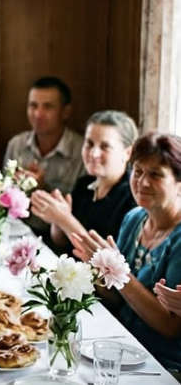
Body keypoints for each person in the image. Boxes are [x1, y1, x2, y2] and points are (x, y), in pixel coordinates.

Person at [71, 132, 181, 371]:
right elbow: (117, 298)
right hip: (118, 344)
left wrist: (120, 273)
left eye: (156, 174)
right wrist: (97, 270)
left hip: (163, 364)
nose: (142, 182)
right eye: (138, 171)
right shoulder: (134, 218)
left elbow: (170, 326)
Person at [30, 110, 137, 252]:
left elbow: (108, 262)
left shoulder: (133, 197)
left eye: (105, 147)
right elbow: (62, 242)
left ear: (127, 153)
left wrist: (64, 219)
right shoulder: (84, 184)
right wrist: (57, 220)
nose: (93, 153)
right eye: (89, 144)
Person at [3, 76, 85, 235]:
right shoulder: (16, 145)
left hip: (61, 241)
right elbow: (4, 198)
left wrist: (42, 188)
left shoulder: (82, 152)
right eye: (33, 105)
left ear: (65, 112)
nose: (38, 114)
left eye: (48, 107)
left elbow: (82, 214)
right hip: (17, 231)